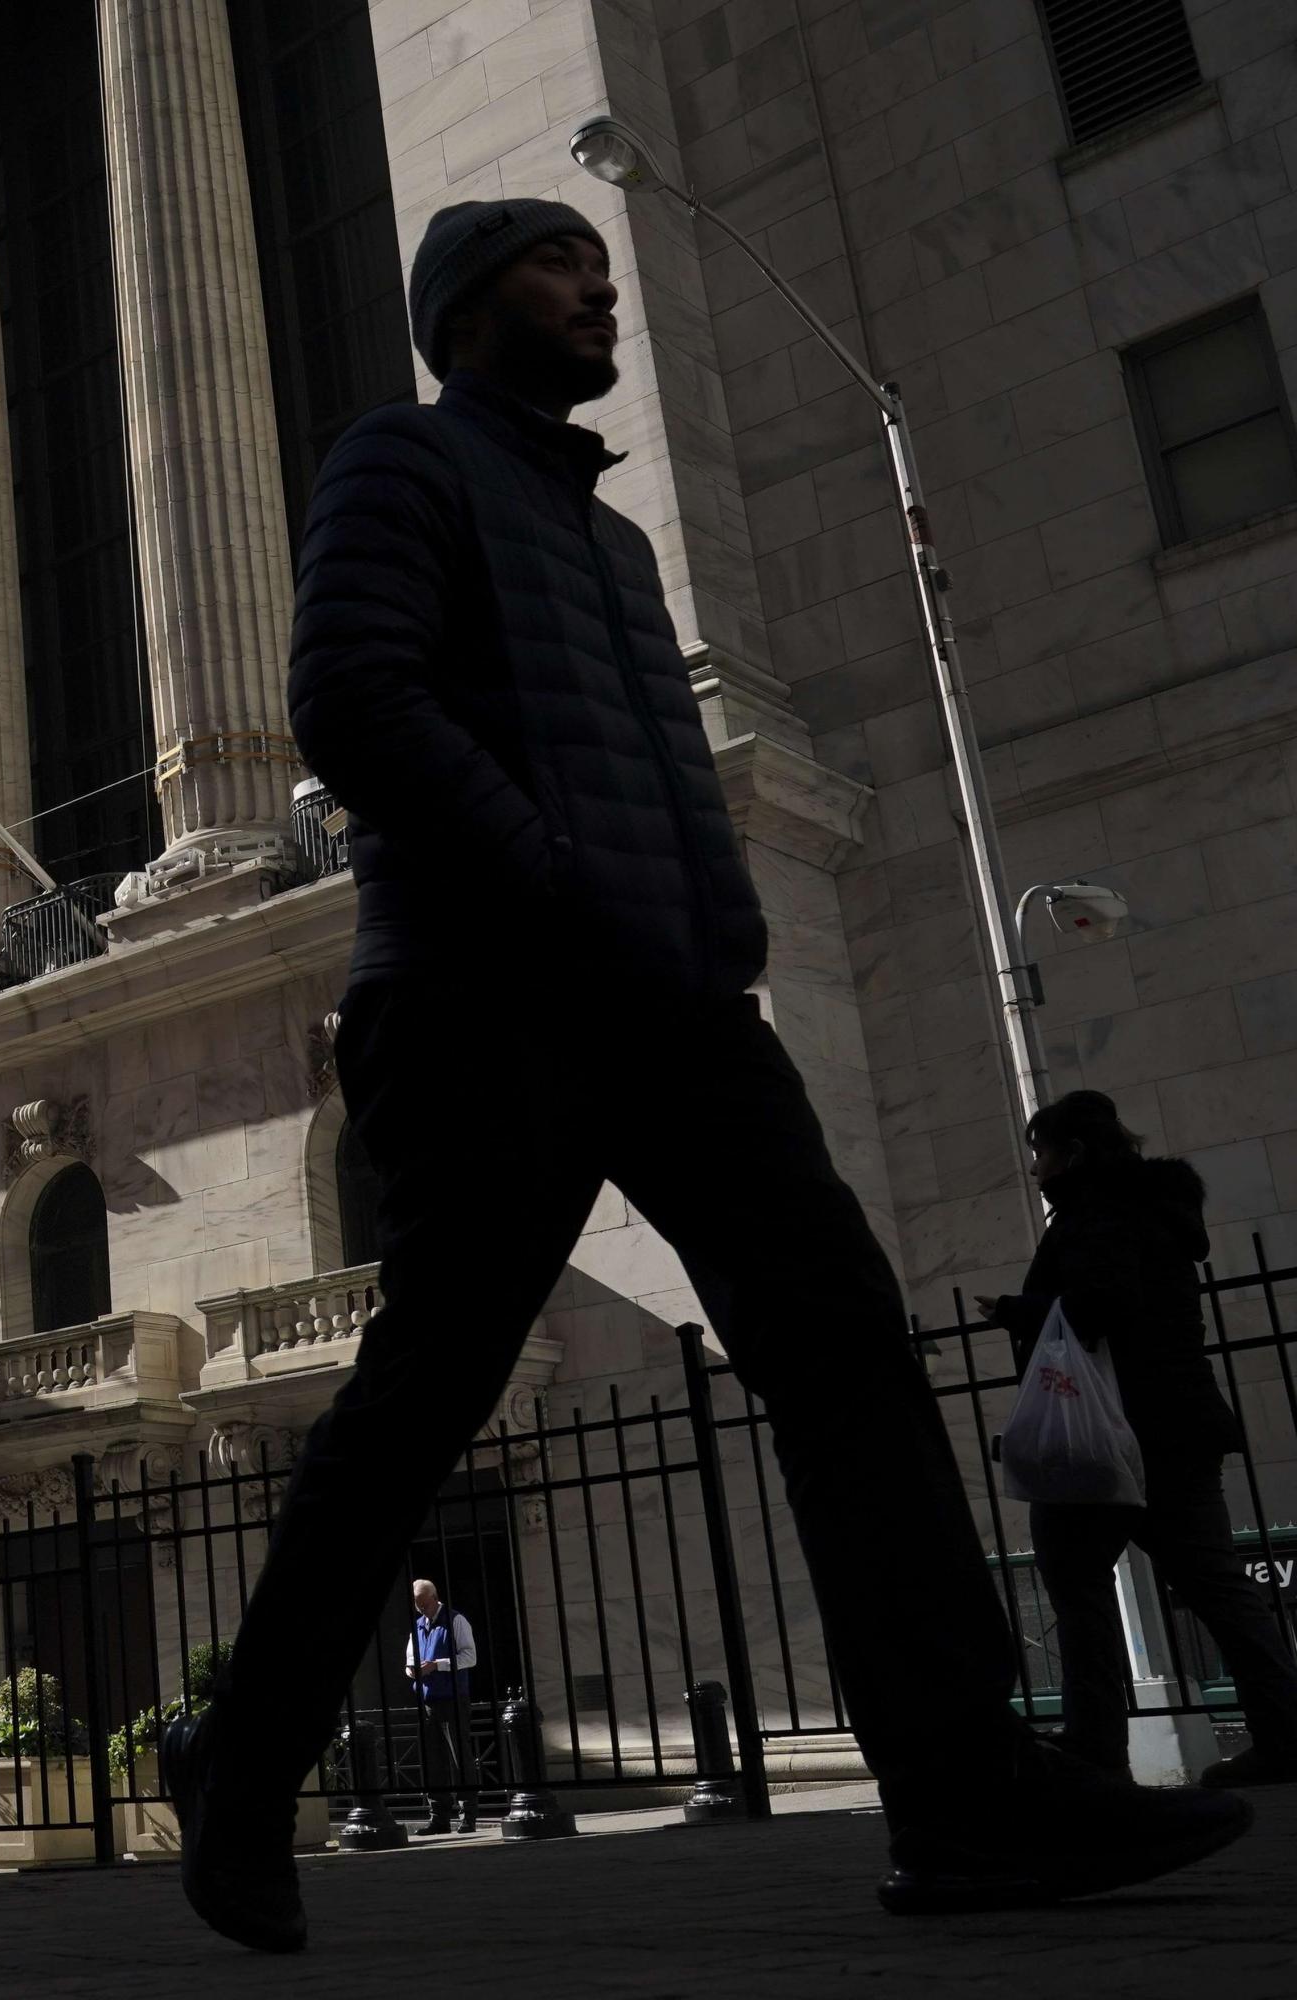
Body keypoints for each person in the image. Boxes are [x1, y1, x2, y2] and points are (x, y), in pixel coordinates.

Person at [160, 197, 1251, 1955]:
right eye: (558, 265)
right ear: (467, 305)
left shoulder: (616, 547)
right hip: (482, 993)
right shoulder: (402, 465)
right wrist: (557, 877)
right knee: (432, 1392)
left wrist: (717, 918)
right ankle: (250, 1748)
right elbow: (352, 698)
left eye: (599, 265)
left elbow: (654, 758)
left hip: (676, 1011)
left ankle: (965, 1792)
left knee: (846, 1352)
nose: (601, 289)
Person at [978, 1091, 1297, 1786]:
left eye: (1042, 1151)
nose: (1035, 1168)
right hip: (1181, 1423)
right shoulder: (1160, 1213)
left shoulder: (1096, 1216)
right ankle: (1285, 1730)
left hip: (1109, 1435)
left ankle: (1094, 1749)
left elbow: (1099, 1307)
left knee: (1076, 1580)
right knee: (1217, 1585)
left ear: (1075, 1152)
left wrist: (1015, 1310)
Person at [403, 1581, 478, 1834]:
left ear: (435, 1597)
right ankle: (439, 1817)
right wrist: (412, 1670)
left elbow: (470, 1656)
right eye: (417, 1603)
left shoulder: (456, 1621)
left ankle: (467, 1814)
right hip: (427, 1701)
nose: (421, 1608)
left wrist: (437, 1665)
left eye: (424, 1602)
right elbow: (410, 1659)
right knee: (433, 1761)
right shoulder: (417, 1626)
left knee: (459, 1759)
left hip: (452, 1699)